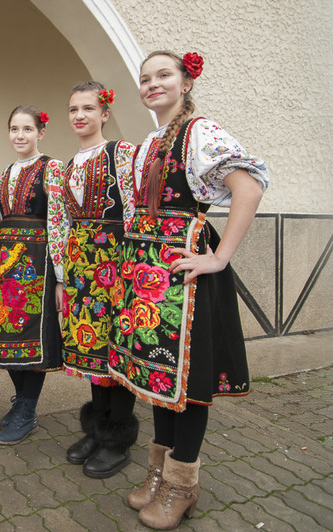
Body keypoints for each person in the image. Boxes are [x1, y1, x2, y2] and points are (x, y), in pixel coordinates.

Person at [108, 51, 267, 529]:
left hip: (184, 273)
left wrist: (219, 257)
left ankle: (182, 484)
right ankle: (159, 475)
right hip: (150, 273)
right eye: (145, 78)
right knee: (159, 377)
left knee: (188, 381)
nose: (152, 84)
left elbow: (249, 188)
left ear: (186, 81)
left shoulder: (200, 132)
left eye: (164, 75)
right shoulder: (152, 141)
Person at [61, 82, 139, 478]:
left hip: (114, 264)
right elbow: (63, 221)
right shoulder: (70, 163)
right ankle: (96, 428)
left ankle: (117, 437)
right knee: (91, 346)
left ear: (105, 114)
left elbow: (135, 211)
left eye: (88, 108)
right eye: (74, 109)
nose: (79, 115)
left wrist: (131, 269)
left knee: (116, 347)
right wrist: (63, 275)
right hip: (80, 265)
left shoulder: (120, 153)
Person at [0, 105, 68, 445]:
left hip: (36, 264)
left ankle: (28, 410)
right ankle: (20, 401)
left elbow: (59, 222)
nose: (20, 135)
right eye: (14, 129)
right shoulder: (5, 172)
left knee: (32, 335)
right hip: (4, 264)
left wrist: (60, 277)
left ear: (40, 133)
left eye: (27, 129)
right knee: (6, 335)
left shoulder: (52, 168)